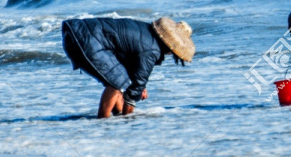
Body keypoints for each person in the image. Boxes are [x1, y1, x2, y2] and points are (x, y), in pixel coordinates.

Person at [61, 16, 194, 118]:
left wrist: (140, 86)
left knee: (120, 80)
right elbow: (135, 89)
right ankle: (102, 123)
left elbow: (124, 57)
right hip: (84, 39)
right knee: (117, 81)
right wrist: (129, 121)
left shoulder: (145, 31)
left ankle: (117, 117)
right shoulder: (152, 49)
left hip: (74, 34)